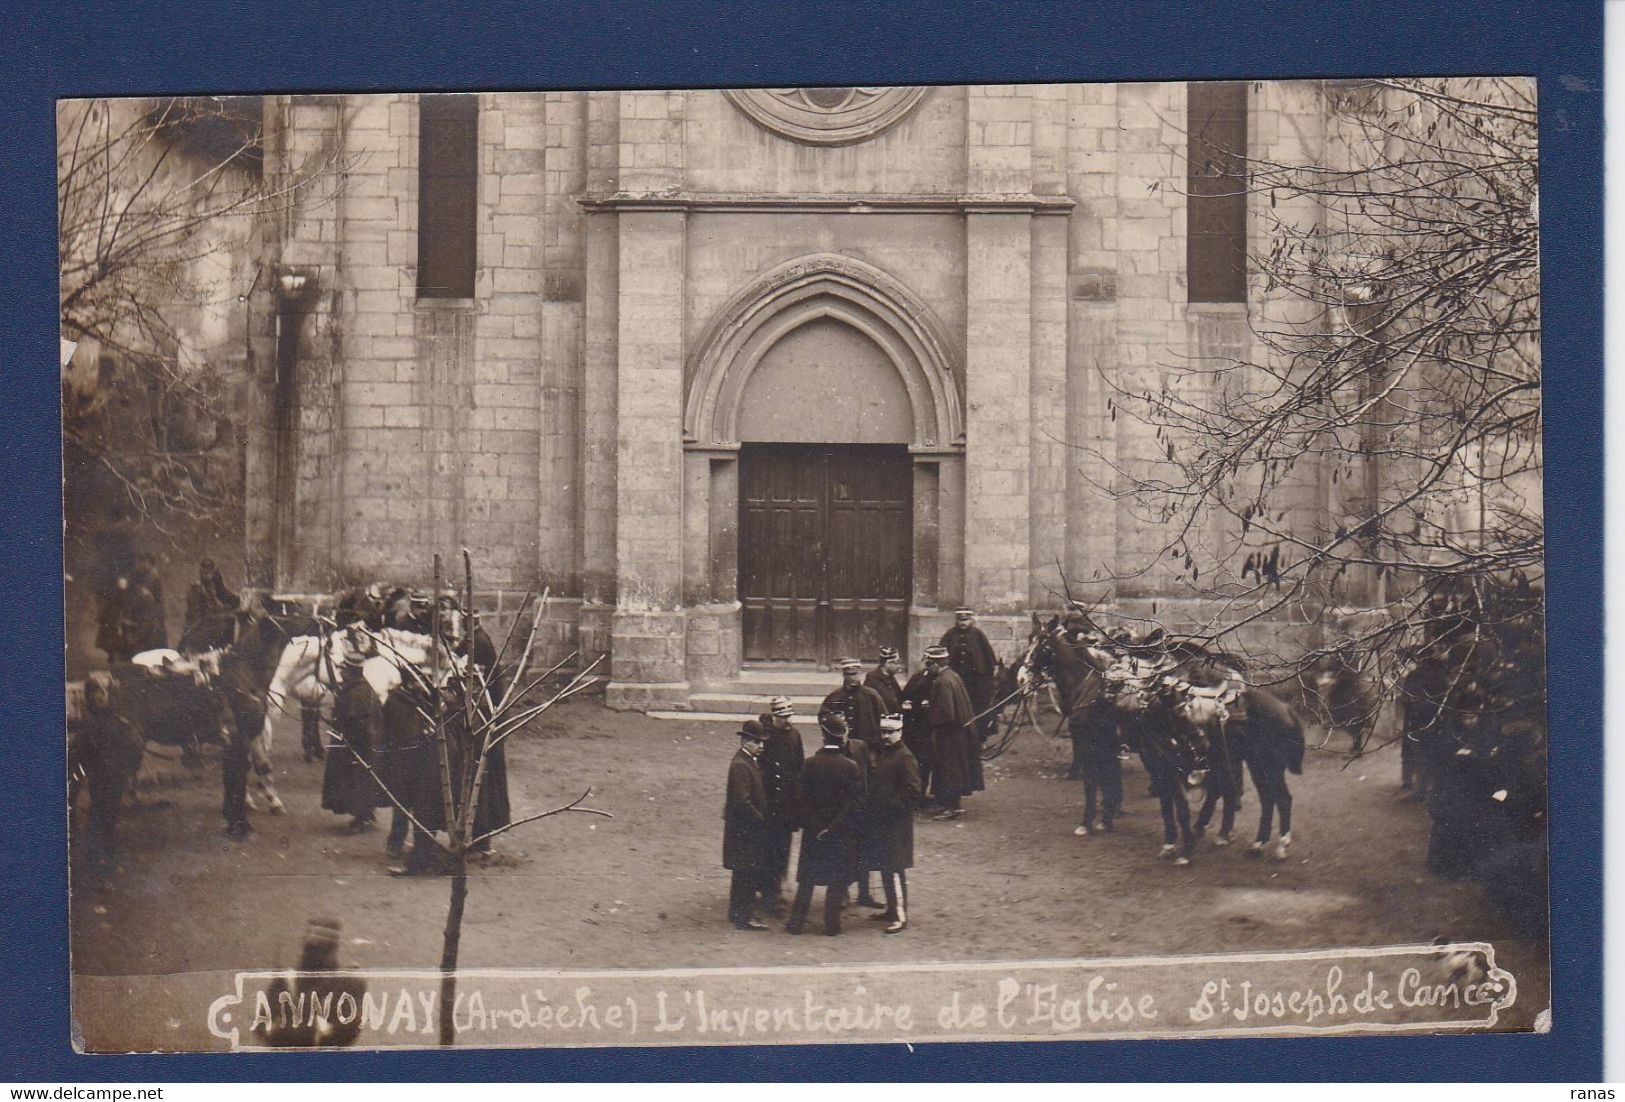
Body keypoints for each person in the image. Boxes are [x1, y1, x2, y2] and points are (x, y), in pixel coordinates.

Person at [785, 712, 862, 937]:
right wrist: (835, 826)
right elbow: (854, 803)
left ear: (823, 736)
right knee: (837, 880)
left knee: (807, 880)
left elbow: (800, 799)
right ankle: (831, 925)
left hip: (813, 832)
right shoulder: (851, 766)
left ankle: (796, 923)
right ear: (842, 738)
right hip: (839, 833)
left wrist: (816, 825)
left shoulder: (810, 764)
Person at [216, 593, 283, 838]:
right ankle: (236, 820)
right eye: (256, 606)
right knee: (236, 770)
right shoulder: (238, 627)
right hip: (237, 721)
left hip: (244, 713)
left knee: (238, 770)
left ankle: (237, 817)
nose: (258, 610)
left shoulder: (264, 632)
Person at [253, 917, 369, 1048]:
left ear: (333, 949)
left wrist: (318, 1034)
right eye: (310, 948)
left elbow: (349, 1031)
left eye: (321, 949)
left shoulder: (349, 983)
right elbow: (261, 1026)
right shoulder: (285, 981)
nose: (313, 954)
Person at [71, 672, 146, 872]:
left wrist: (129, 771)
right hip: (98, 776)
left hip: (116, 776)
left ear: (110, 694)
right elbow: (79, 751)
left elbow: (135, 747)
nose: (97, 697)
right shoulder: (88, 724)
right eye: (93, 692)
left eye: (102, 692)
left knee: (110, 815)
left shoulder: (120, 722)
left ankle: (105, 858)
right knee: (99, 813)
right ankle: (97, 859)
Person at [864, 714, 922, 933]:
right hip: (884, 823)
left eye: (890, 732)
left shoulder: (905, 757)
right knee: (887, 867)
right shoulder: (886, 754)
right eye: (883, 732)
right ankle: (891, 909)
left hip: (896, 825)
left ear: (900, 732)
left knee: (895, 869)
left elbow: (913, 792)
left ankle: (900, 915)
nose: (885, 736)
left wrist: (889, 809)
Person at [383, 673, 445, 874]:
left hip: (422, 761)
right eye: (419, 681)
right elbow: (389, 730)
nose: (423, 684)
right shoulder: (394, 701)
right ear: (409, 683)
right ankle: (396, 841)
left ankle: (421, 846)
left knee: (421, 804)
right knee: (401, 804)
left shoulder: (423, 698)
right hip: (400, 761)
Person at [322, 651, 385, 833]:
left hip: (359, 747)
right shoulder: (356, 688)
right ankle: (364, 816)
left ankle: (363, 818)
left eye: (344, 669)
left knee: (358, 781)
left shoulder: (360, 692)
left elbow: (360, 724)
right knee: (355, 780)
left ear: (350, 671)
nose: (341, 673)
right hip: (355, 744)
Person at [754, 695, 804, 914]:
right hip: (767, 804)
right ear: (774, 716)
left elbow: (799, 769)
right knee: (767, 849)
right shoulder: (764, 737)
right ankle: (768, 893)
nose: (787, 721)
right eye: (782, 717)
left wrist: (798, 803)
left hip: (786, 806)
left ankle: (778, 890)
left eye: (789, 716)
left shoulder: (794, 736)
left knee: (783, 849)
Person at [723, 720, 773, 931]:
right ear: (745, 741)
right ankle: (744, 916)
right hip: (746, 831)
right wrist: (761, 820)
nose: (761, 747)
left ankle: (736, 913)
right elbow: (743, 801)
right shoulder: (742, 765)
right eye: (757, 742)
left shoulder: (746, 760)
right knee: (747, 873)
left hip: (742, 830)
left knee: (741, 873)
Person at [922, 645, 979, 820]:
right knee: (955, 769)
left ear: (935, 664)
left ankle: (950, 808)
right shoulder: (953, 676)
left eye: (928, 664)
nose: (926, 668)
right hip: (959, 733)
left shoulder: (942, 681)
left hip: (948, 734)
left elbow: (946, 713)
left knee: (948, 769)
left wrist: (928, 709)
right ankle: (952, 805)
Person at [940, 608, 996, 739]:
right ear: (956, 620)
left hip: (977, 681)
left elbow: (989, 657)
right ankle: (960, 737)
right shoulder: (950, 635)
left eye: (965, 620)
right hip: (957, 680)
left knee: (978, 708)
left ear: (971, 620)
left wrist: (989, 677)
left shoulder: (978, 635)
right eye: (960, 620)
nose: (963, 623)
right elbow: (942, 654)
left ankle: (980, 738)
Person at [821, 658, 886, 752]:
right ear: (843, 674)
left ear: (860, 674)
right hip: (842, 748)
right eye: (848, 674)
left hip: (867, 747)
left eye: (855, 674)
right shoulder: (835, 697)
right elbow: (824, 718)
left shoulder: (871, 695)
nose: (852, 678)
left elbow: (883, 718)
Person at [898, 660, 937, 805]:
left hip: (927, 730)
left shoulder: (937, 679)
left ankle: (921, 794)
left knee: (926, 763)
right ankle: (916, 796)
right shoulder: (918, 678)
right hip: (916, 730)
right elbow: (906, 698)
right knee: (919, 763)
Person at [184, 558, 238, 637]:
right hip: (199, 629)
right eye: (206, 571)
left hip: (208, 624)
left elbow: (220, 599)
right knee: (231, 621)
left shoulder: (210, 586)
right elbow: (199, 617)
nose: (209, 574)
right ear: (201, 572)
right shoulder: (196, 589)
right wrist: (225, 614)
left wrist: (230, 608)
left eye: (210, 570)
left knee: (232, 619)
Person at [865, 647, 904, 714]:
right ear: (887, 664)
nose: (899, 666)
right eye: (896, 663)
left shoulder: (891, 678)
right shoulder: (872, 679)